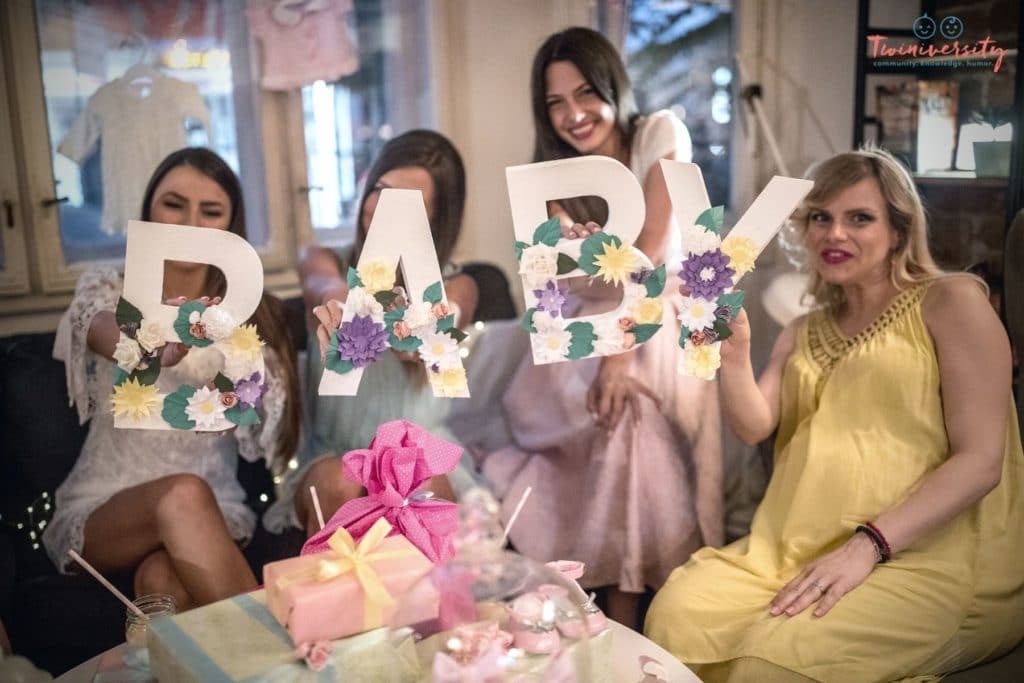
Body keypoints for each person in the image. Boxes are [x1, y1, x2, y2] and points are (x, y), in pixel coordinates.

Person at [645, 148, 1024, 681]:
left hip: (924, 557)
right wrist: (735, 354)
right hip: (791, 550)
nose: (834, 234)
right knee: (673, 615)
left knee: (768, 661)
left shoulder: (952, 301)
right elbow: (754, 425)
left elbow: (981, 462)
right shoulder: (803, 328)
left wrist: (868, 546)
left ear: (899, 230)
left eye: (859, 218)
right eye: (821, 217)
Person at [461, 27, 722, 630]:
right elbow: (559, 284)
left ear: (614, 87)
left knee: (627, 407)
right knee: (603, 408)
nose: (573, 114)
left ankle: (623, 602)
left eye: (585, 93)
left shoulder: (659, 134)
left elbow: (650, 255)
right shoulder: (553, 176)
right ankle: (601, 587)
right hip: (586, 322)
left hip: (656, 315)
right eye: (555, 102)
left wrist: (616, 360)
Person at [43, 148, 301, 611]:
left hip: (213, 511)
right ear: (149, 209)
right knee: (181, 493)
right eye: (174, 204)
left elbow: (269, 426)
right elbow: (99, 328)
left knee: (162, 579)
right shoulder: (108, 288)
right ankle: (277, 643)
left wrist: (238, 401)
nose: (190, 224)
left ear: (231, 223)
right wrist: (148, 346)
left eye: (211, 211)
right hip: (104, 507)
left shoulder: (251, 314)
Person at [263, 129, 482, 537]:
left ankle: (426, 580)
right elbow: (325, 286)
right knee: (339, 482)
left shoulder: (459, 284)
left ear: (436, 218)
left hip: (423, 453)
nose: (384, 210)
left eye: (408, 204)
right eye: (380, 190)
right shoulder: (321, 258)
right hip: (334, 452)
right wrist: (345, 307)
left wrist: (426, 332)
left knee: (421, 480)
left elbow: (453, 308)